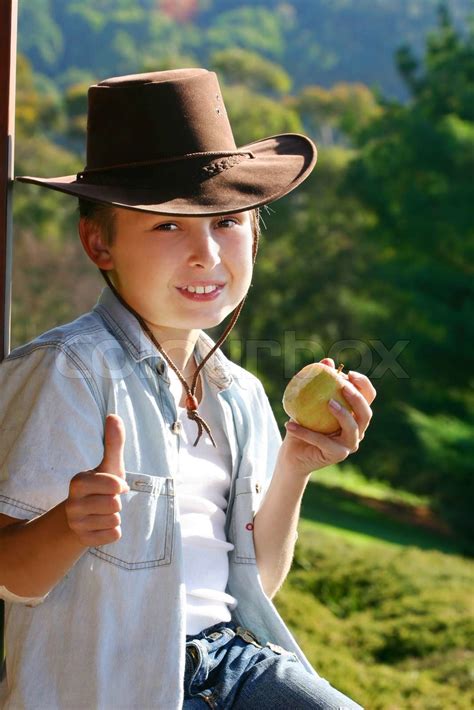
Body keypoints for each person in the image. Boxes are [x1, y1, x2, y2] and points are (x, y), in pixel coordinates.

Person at [0, 69, 375, 709]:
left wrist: (297, 464)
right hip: (116, 680)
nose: (206, 253)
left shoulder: (241, 395)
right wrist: (70, 524)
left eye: (228, 221)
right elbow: (12, 576)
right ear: (99, 242)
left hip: (232, 664)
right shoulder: (71, 371)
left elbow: (255, 584)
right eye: (166, 226)